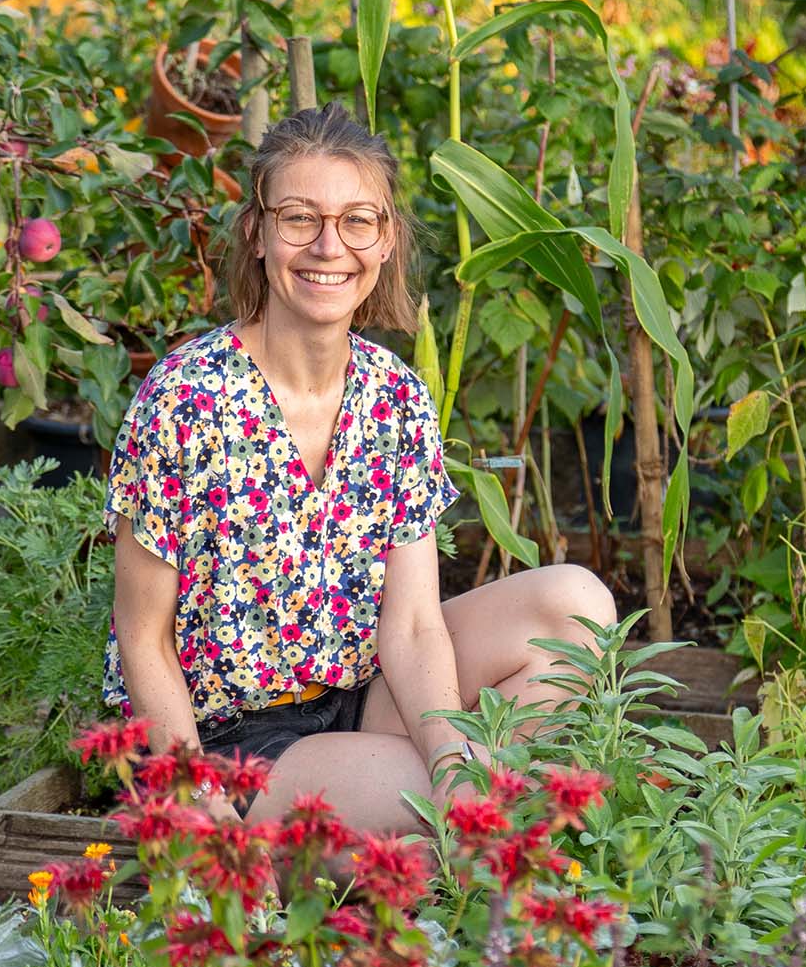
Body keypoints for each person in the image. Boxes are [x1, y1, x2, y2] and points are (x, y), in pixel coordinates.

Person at [104, 104, 618, 833]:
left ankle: (418, 829)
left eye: (356, 221)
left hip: (358, 698)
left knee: (575, 606)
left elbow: (409, 628)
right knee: (449, 798)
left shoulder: (394, 395)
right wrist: (198, 802)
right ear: (256, 234)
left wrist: (453, 764)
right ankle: (384, 837)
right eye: (298, 218)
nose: (328, 246)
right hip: (225, 742)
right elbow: (142, 638)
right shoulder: (187, 398)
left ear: (385, 243)